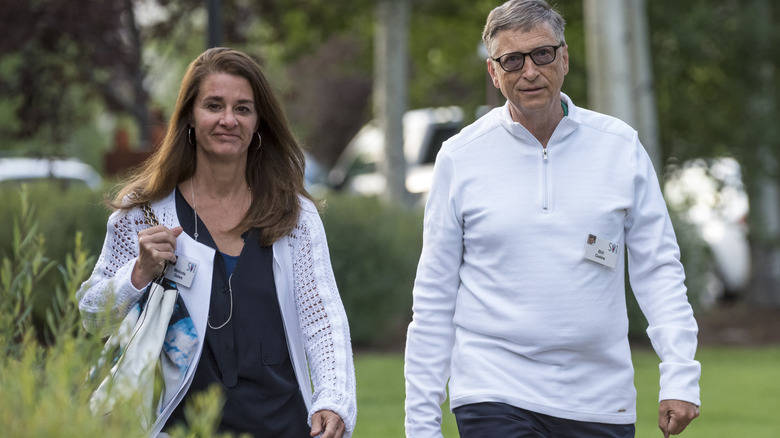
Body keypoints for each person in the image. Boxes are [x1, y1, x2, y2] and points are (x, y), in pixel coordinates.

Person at [404, 1, 700, 437]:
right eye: (512, 60)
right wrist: (421, 424)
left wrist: (680, 375)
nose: (529, 71)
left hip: (600, 399)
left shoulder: (619, 147)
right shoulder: (460, 157)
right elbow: (434, 293)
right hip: (494, 391)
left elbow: (658, 269)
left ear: (564, 57)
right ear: (494, 72)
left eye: (542, 54)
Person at [77, 47, 356, 438]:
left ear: (259, 122)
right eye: (214, 105)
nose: (229, 119)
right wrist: (137, 273)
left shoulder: (294, 215)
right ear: (190, 115)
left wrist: (333, 398)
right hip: (179, 429)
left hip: (283, 426)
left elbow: (323, 321)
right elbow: (93, 318)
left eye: (243, 108)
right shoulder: (143, 213)